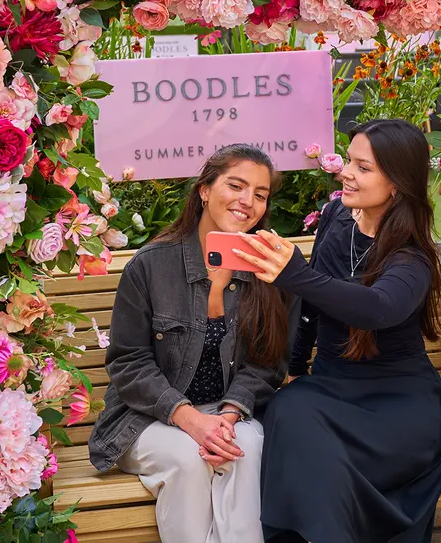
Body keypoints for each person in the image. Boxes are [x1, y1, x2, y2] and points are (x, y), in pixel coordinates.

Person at [236, 119, 441, 543]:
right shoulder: (337, 217)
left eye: (363, 167)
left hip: (399, 406)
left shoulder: (412, 258)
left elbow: (378, 308)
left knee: (322, 452)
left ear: (397, 183)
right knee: (288, 411)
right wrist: (295, 367)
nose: (346, 173)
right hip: (333, 387)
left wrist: (295, 274)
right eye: (349, 161)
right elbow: (313, 308)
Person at [88, 144, 299, 543]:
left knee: (247, 450)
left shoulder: (269, 269)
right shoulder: (150, 266)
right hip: (149, 418)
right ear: (204, 189)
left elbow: (268, 363)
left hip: (227, 414)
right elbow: (128, 362)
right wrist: (189, 419)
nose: (247, 201)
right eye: (235, 185)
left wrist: (230, 415)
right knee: (188, 460)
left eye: (260, 193)